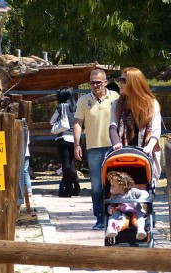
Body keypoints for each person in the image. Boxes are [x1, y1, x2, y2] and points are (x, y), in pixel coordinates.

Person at [74, 69, 120, 230]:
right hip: (93, 148)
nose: (95, 85)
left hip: (114, 147)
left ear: (105, 82)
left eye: (98, 82)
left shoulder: (116, 98)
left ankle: (115, 215)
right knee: (96, 186)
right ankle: (100, 218)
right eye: (92, 83)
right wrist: (77, 144)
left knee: (115, 182)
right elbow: (78, 123)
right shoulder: (83, 100)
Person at [109, 67, 162, 179]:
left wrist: (150, 146)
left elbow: (156, 130)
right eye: (120, 80)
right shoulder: (117, 104)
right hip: (124, 156)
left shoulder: (152, 104)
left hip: (145, 156)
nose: (120, 83)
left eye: (123, 81)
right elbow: (112, 126)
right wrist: (116, 143)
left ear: (133, 83)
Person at [50, 86, 80, 197]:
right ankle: (76, 187)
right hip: (75, 138)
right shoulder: (76, 107)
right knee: (71, 163)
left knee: (66, 164)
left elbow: (52, 121)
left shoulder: (61, 107)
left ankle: (68, 189)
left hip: (63, 138)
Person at [105, 171, 149, 240]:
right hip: (122, 214)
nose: (111, 187)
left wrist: (140, 201)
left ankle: (141, 230)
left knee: (140, 214)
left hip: (135, 211)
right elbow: (110, 206)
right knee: (113, 216)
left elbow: (145, 193)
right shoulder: (114, 197)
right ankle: (111, 229)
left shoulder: (133, 191)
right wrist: (112, 210)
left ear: (122, 186)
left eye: (113, 185)